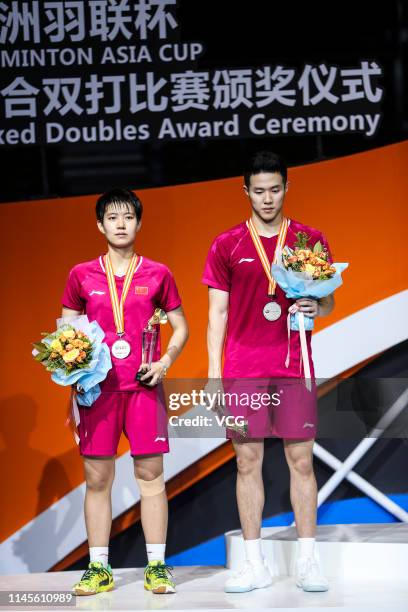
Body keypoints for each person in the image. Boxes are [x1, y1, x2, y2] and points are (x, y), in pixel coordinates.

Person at [202, 151, 334, 593]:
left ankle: (309, 562)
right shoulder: (227, 245)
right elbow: (216, 315)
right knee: (247, 461)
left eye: (275, 189)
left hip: (295, 366)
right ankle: (253, 564)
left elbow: (329, 301)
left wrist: (319, 304)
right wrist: (214, 373)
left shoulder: (309, 240)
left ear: (286, 188)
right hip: (243, 370)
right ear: (246, 192)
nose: (267, 198)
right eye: (258, 191)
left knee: (301, 461)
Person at [61, 188, 189, 595]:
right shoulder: (81, 275)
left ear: (138, 223)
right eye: (112, 218)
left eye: (127, 217)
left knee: (150, 477)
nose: (120, 224)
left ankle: (156, 566)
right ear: (99, 225)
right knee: (97, 480)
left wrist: (165, 361)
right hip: (96, 393)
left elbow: (181, 326)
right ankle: (99, 569)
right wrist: (72, 378)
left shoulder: (158, 273)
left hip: (144, 389)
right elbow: (66, 335)